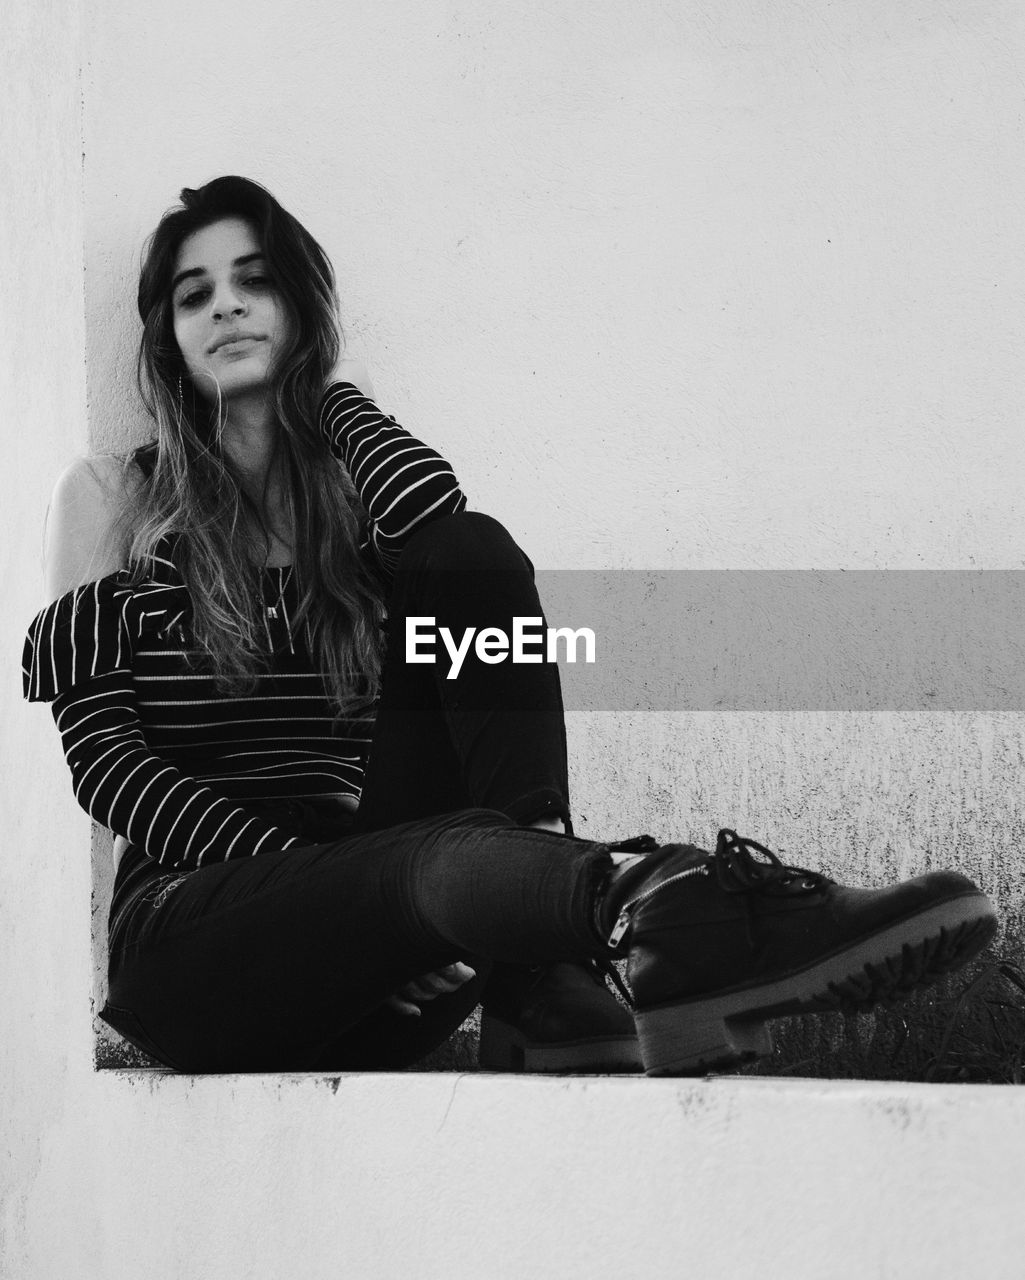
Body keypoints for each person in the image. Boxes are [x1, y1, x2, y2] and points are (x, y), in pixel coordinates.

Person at [23, 176, 999, 1076]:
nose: (226, 305)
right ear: (166, 333)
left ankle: (539, 981)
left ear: (302, 310)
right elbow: (107, 767)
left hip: (390, 954)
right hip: (198, 944)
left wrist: (323, 398)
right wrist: (330, 889)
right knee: (429, 862)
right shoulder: (118, 496)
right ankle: (666, 906)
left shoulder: (359, 505)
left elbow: (442, 523)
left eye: (255, 281)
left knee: (469, 554)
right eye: (195, 293)